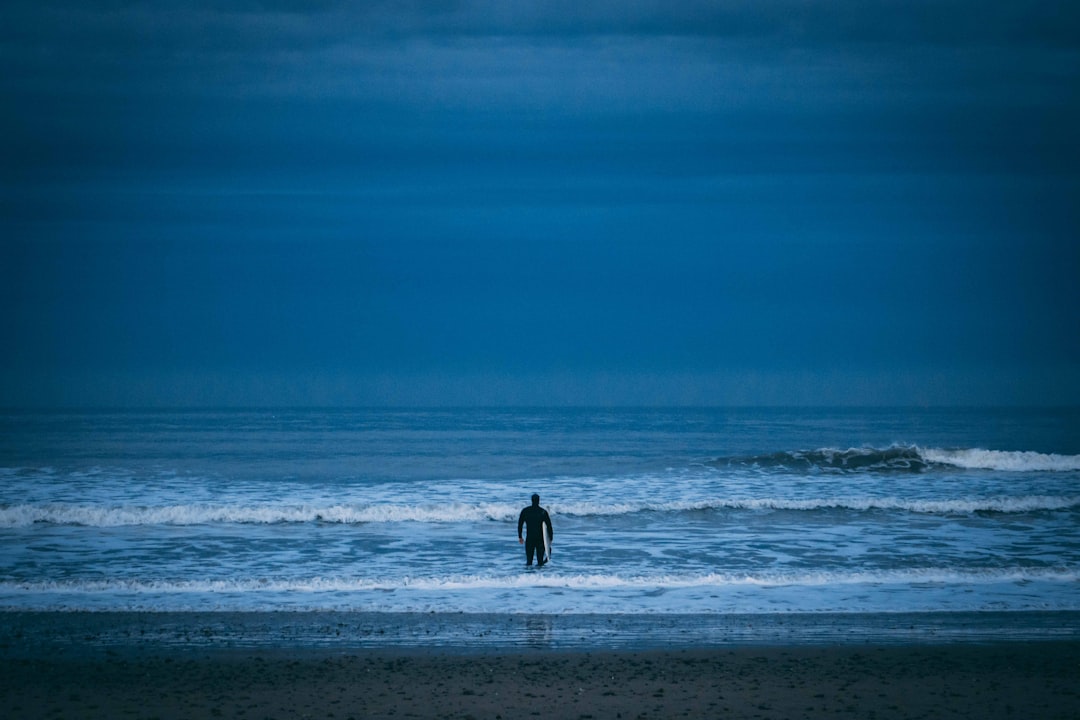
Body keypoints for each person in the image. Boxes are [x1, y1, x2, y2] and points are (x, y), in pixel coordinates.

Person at [517, 493, 552, 567]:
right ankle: (539, 577)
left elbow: (520, 524)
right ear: (539, 501)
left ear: (531, 500)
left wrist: (520, 536)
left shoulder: (525, 511)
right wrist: (550, 539)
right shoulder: (543, 512)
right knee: (540, 562)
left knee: (529, 562)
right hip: (540, 539)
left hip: (530, 538)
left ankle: (528, 576)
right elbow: (549, 526)